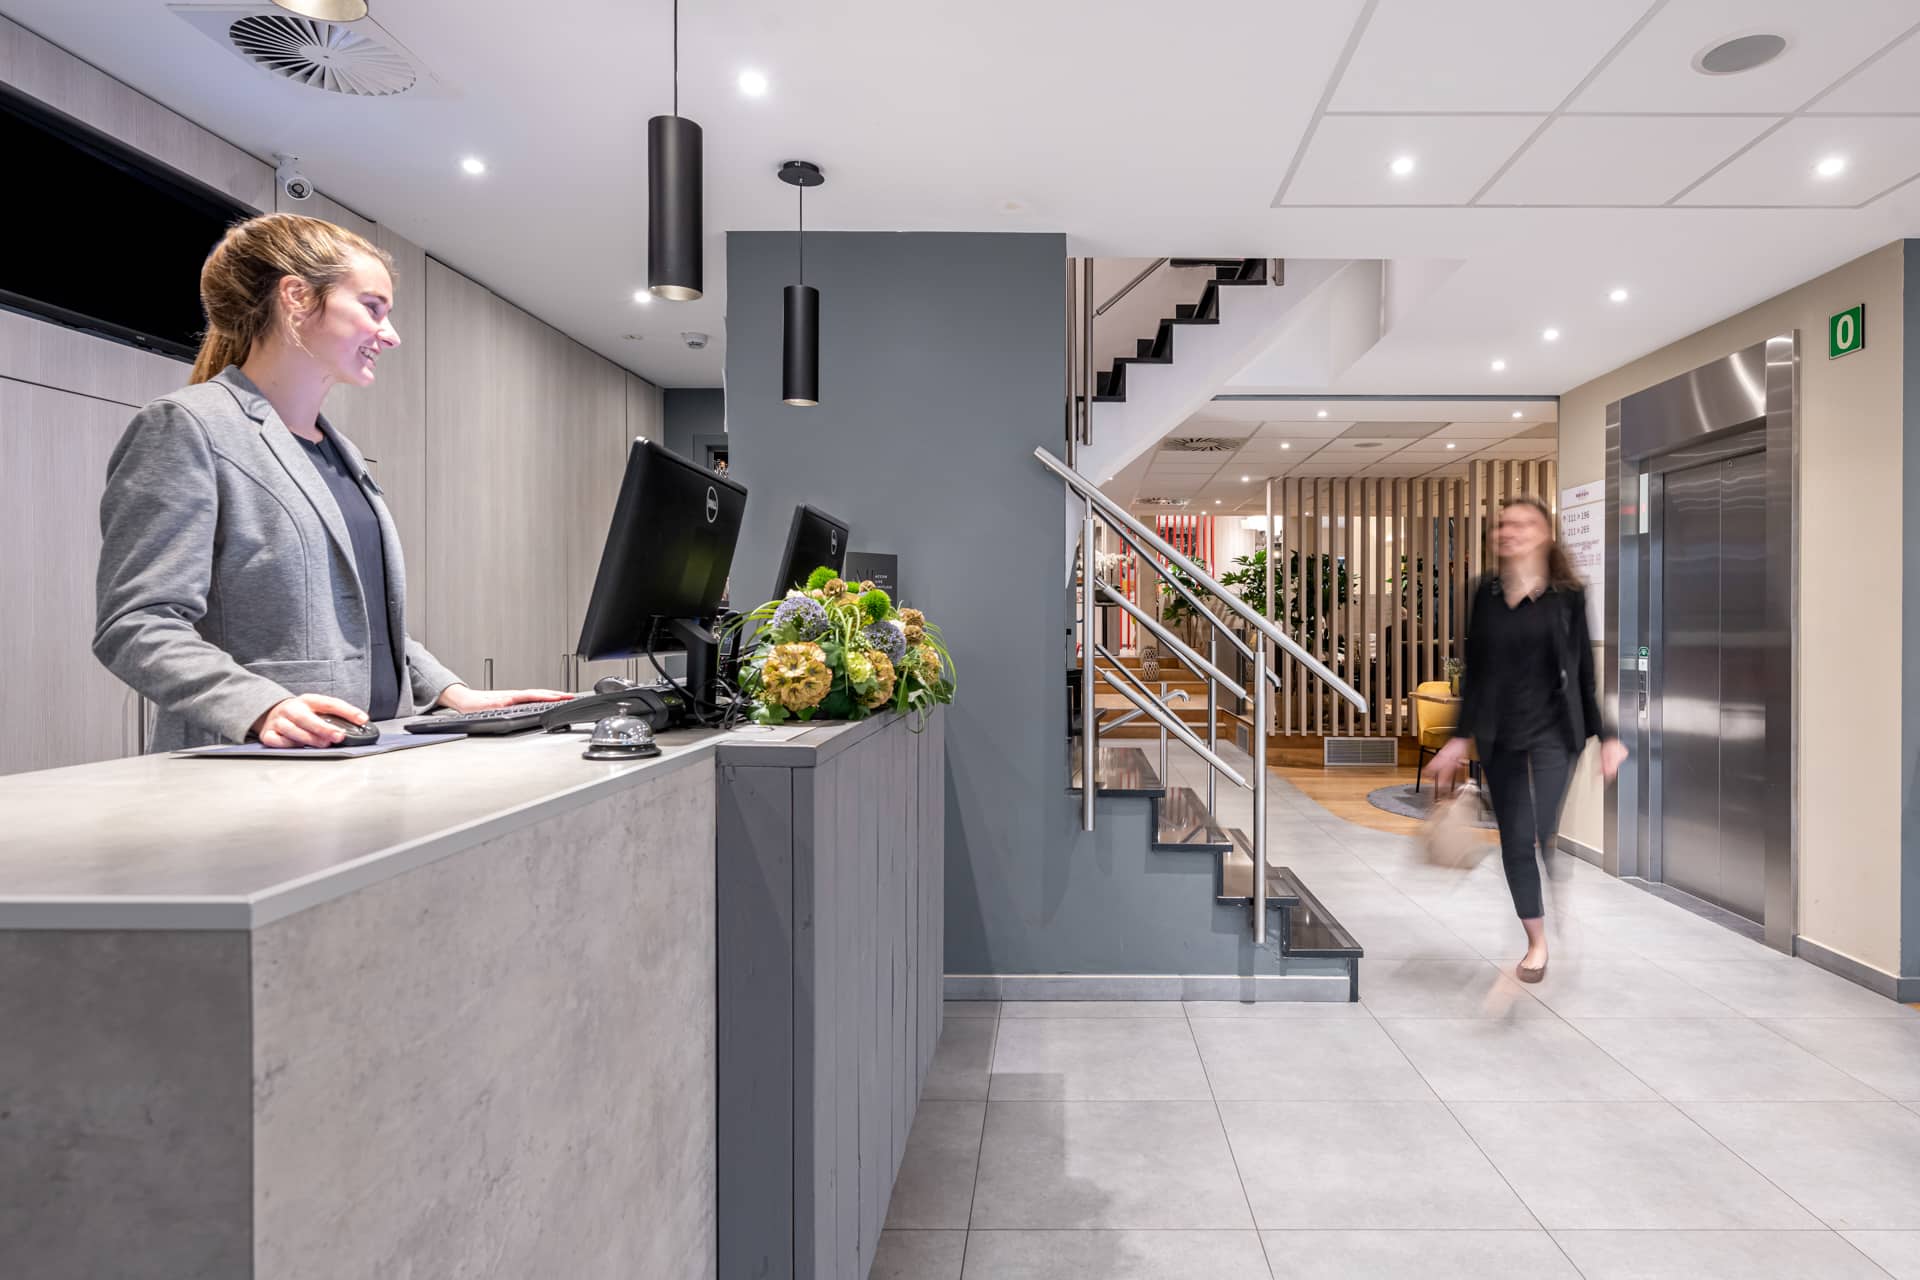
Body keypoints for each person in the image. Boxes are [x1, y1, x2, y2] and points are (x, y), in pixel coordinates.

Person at [95, 212, 567, 750]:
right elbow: (137, 623)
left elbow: (363, 630)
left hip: (370, 757)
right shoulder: (188, 425)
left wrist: (451, 691)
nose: (390, 335)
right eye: (373, 308)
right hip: (251, 768)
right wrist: (258, 705)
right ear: (296, 296)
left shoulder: (341, 453)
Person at [1425, 495, 1627, 982]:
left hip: (1557, 733)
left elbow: (1583, 672)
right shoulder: (1484, 594)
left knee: (1537, 829)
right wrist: (1458, 738)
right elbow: (1477, 672)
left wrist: (1608, 735)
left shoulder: (1568, 596)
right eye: (1503, 525)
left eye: (1523, 523)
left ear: (1545, 534)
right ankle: (1536, 943)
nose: (1509, 531)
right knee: (1517, 840)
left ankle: (1547, 863)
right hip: (1501, 737)